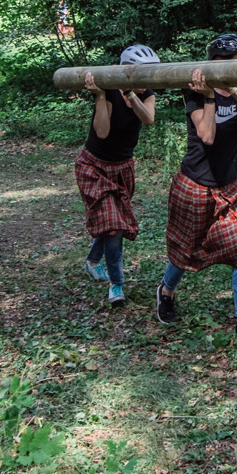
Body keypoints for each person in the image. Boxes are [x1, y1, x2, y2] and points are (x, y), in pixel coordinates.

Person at [156, 34, 237, 347]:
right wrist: (209, 96)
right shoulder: (195, 90)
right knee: (185, 251)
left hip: (230, 186)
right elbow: (206, 136)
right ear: (219, 63)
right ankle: (166, 292)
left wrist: (234, 89)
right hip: (195, 184)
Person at [75, 44, 159, 305]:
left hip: (123, 167)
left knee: (114, 220)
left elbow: (148, 120)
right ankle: (117, 284)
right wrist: (101, 96)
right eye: (141, 75)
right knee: (113, 225)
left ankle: (91, 261)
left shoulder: (145, 94)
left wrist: (132, 94)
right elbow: (101, 132)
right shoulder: (109, 88)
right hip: (94, 165)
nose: (147, 81)